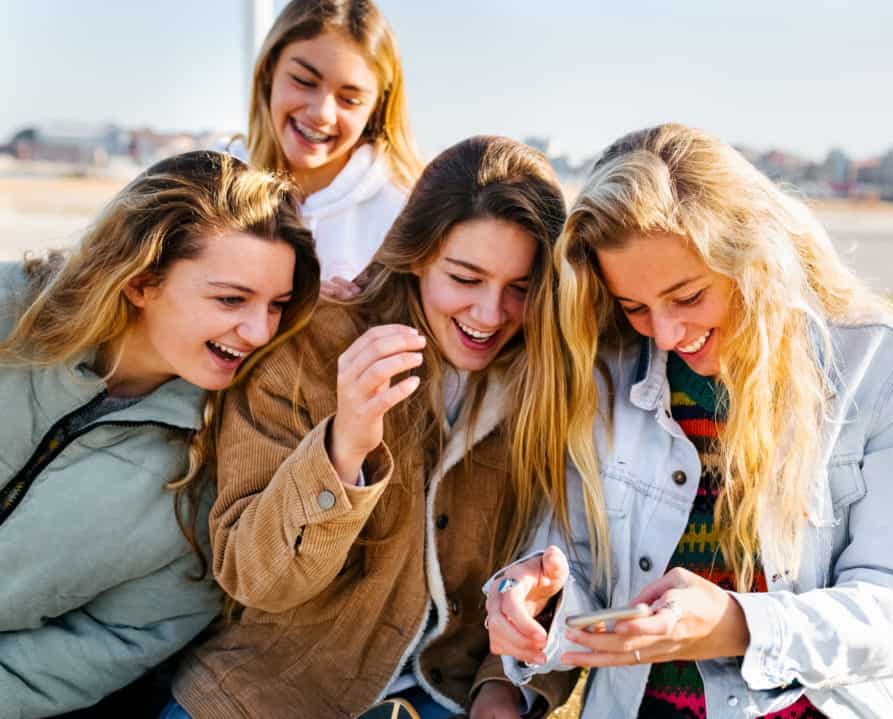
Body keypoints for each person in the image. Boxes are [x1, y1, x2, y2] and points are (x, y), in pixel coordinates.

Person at [484, 124, 893, 718]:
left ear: (756, 257)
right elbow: (578, 567)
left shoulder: (884, 365)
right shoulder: (605, 367)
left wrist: (738, 625)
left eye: (688, 296)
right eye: (634, 306)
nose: (665, 332)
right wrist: (537, 599)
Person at [169, 136, 571, 719]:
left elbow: (570, 559)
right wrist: (345, 444)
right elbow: (256, 579)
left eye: (521, 288)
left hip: (447, 698)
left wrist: (503, 685)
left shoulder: (552, 383)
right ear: (415, 255)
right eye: (464, 278)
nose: (490, 314)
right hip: (269, 692)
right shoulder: (310, 349)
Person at [0, 150, 320, 718]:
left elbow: (115, 638)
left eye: (276, 305)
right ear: (142, 280)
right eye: (231, 298)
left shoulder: (216, 470)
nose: (257, 330)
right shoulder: (10, 315)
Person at [230, 0, 420, 299]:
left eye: (350, 100)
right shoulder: (212, 186)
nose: (322, 113)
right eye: (303, 81)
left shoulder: (405, 217)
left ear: (377, 108)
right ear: (269, 70)